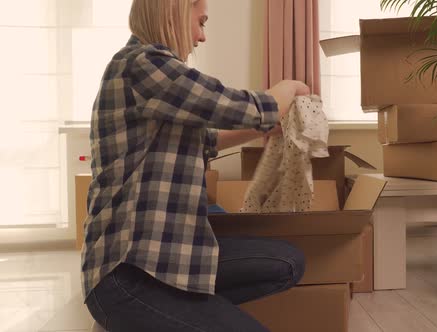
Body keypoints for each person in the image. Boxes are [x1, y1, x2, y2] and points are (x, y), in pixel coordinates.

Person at [82, 0, 309, 331]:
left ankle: (178, 316)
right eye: (201, 22)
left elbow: (207, 139)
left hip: (166, 260)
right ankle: (155, 314)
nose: (202, 36)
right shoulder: (142, 64)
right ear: (173, 11)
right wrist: (286, 90)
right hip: (128, 274)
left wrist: (264, 127)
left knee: (287, 262)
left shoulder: (151, 76)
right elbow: (236, 105)